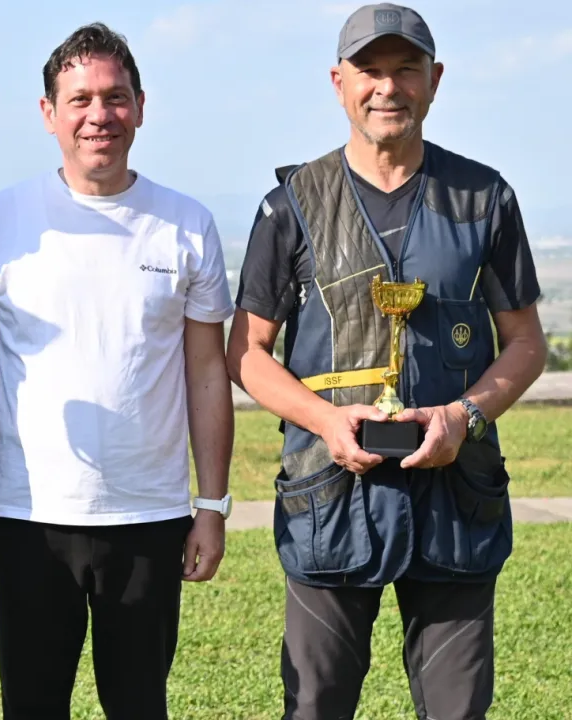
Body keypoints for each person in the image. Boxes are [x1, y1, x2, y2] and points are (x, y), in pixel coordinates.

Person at [225, 4, 546, 719]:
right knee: (315, 707)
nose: (388, 87)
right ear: (338, 81)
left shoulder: (485, 197)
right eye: (369, 70)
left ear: (435, 79)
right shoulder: (291, 206)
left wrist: (464, 416)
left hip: (456, 499)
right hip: (329, 498)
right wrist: (325, 421)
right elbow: (245, 352)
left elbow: (527, 342)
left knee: (458, 710)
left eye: (406, 69)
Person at [0, 22, 235, 719]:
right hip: (29, 516)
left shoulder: (187, 223)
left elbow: (207, 373)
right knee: (32, 706)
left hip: (150, 516)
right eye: (79, 100)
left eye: (114, 97)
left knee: (139, 706)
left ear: (140, 106)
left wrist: (212, 505)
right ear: (49, 113)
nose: (98, 115)